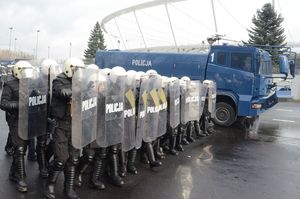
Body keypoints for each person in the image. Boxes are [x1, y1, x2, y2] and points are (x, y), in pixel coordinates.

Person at [44, 57, 84, 199]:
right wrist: (75, 92)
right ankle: (50, 185)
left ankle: (69, 189)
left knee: (73, 159)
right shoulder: (58, 81)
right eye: (76, 70)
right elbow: (62, 92)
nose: (79, 73)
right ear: (69, 68)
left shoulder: (81, 82)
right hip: (61, 124)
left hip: (76, 124)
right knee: (61, 159)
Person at [0, 61, 34, 192]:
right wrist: (20, 105)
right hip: (15, 120)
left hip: (28, 119)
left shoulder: (31, 83)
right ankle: (21, 178)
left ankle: (12, 173)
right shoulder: (10, 84)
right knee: (20, 148)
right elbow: (3, 103)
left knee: (23, 146)